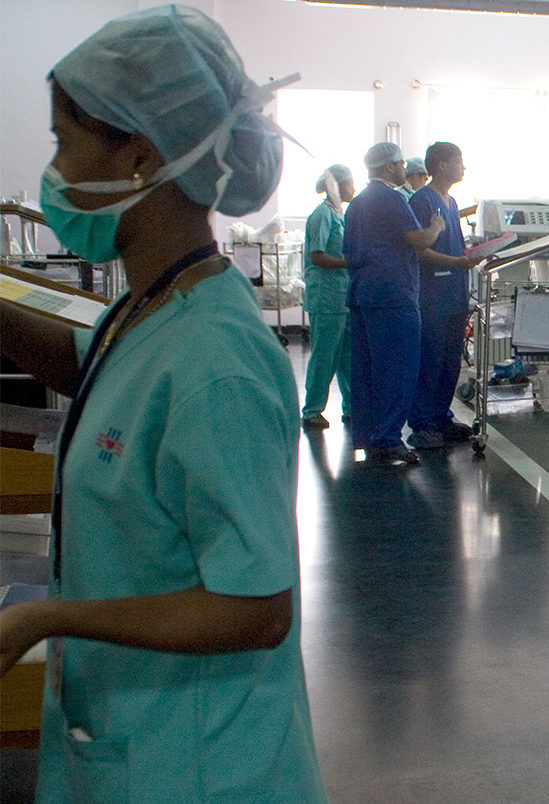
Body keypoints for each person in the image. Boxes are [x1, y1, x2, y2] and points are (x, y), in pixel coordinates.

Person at [0, 6, 326, 800]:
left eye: (64, 141)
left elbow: (255, 611)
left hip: (204, 767)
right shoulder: (156, 304)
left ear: (139, 157)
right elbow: (97, 369)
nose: (55, 167)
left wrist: (43, 618)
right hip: (133, 739)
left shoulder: (217, 361)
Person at [346, 140, 445, 465]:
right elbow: (418, 241)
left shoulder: (358, 202)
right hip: (393, 295)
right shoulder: (389, 197)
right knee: (398, 369)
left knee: (368, 370)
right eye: (402, 163)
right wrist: (436, 226)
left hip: (364, 294)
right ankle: (388, 439)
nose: (406, 168)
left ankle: (370, 436)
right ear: (389, 166)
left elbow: (351, 251)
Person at [407, 142, 478, 450]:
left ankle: (440, 418)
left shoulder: (450, 201)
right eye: (458, 161)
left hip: (454, 293)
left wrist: (473, 255)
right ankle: (422, 424)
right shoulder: (422, 201)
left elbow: (453, 244)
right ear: (441, 166)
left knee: (451, 360)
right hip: (433, 294)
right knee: (430, 360)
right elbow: (419, 250)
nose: (463, 167)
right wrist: (456, 263)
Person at [301, 163, 355, 430]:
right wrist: (349, 263)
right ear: (338, 185)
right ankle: (312, 410)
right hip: (326, 298)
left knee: (347, 356)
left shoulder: (340, 214)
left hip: (342, 298)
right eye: (350, 183)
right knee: (324, 355)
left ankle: (352, 407)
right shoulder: (322, 216)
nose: (353, 189)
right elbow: (317, 256)